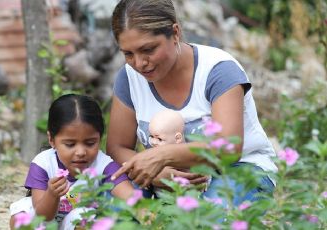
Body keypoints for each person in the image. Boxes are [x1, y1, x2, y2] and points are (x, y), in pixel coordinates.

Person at [107, 0, 277, 207]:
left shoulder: (218, 70)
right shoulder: (129, 78)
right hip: (161, 179)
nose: (140, 63)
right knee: (111, 207)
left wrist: (162, 157)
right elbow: (117, 147)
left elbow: (229, 147)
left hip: (236, 169)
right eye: (128, 54)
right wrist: (157, 173)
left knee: (213, 218)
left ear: (175, 33)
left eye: (148, 49)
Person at [9, 94, 135, 229]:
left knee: (84, 217)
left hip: (75, 222)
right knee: (20, 216)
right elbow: (43, 216)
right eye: (70, 144)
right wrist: (52, 195)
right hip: (44, 221)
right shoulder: (43, 163)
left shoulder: (104, 165)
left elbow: (131, 197)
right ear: (52, 140)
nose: (81, 152)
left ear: (100, 138)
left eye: (90, 143)